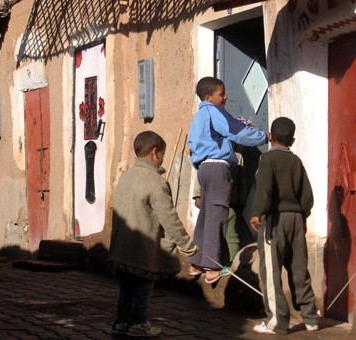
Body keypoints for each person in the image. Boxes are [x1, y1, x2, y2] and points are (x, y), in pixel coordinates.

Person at [107, 130, 198, 338]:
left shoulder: (126, 176)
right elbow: (169, 218)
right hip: (142, 247)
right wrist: (188, 245)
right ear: (155, 152)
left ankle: (121, 322)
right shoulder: (156, 183)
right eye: (162, 154)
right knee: (142, 286)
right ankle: (138, 323)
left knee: (127, 286)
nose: (162, 159)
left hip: (121, 246)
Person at [187, 76, 267, 284]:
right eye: (221, 94)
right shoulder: (215, 112)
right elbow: (237, 132)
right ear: (209, 97)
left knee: (205, 216)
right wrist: (264, 137)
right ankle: (213, 266)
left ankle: (196, 262)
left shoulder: (198, 118)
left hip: (203, 169)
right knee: (218, 215)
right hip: (217, 167)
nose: (225, 97)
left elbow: (192, 147)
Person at [249, 117, 319, 335]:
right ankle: (310, 317)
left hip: (274, 219)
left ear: (270, 136)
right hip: (297, 219)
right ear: (293, 140)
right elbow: (307, 195)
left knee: (270, 271)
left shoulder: (267, 159)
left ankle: (277, 322)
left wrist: (256, 213)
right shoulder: (297, 161)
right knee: (299, 268)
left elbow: (265, 189)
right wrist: (303, 216)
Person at [190, 143, 253, 267]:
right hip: (211, 202)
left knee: (231, 235)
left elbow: (241, 180)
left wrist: (241, 201)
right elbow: (201, 174)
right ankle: (203, 263)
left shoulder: (238, 156)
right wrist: (198, 195)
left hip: (230, 202)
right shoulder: (210, 152)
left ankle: (232, 266)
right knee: (208, 233)